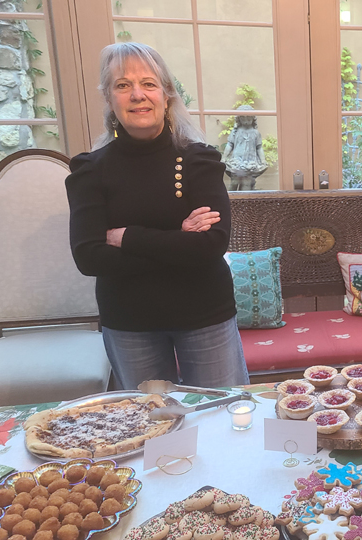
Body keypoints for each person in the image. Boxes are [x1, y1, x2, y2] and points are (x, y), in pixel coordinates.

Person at [65, 42, 249, 390]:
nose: (138, 95)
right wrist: (178, 239)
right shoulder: (89, 170)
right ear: (109, 98)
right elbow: (89, 257)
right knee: (149, 419)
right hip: (130, 322)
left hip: (205, 314)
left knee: (221, 411)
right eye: (123, 85)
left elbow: (211, 245)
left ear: (167, 95)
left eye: (148, 84)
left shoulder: (200, 160)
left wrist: (127, 237)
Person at [221, 104, 268, 191]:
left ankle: (245, 198)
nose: (246, 121)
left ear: (253, 118)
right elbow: (230, 144)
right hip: (236, 162)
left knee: (246, 184)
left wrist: (263, 160)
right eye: (243, 118)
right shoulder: (235, 131)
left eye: (249, 118)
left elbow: (259, 147)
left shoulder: (255, 133)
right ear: (239, 119)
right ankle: (231, 198)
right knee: (234, 183)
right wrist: (224, 157)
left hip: (250, 163)